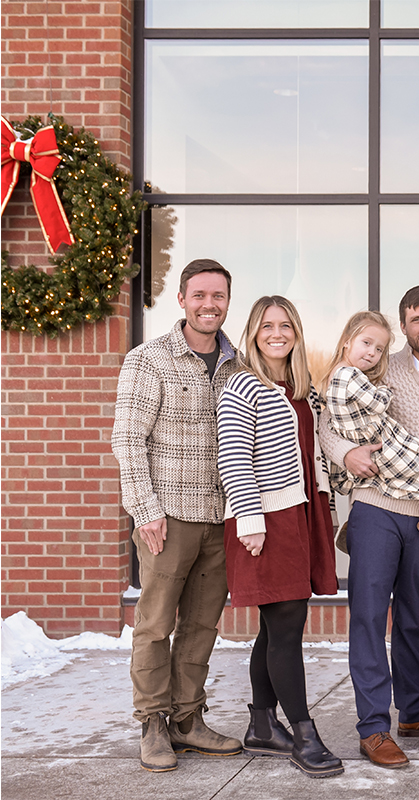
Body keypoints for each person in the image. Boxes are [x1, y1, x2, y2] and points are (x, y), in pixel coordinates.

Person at [317, 286, 419, 769]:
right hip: (375, 509)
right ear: (404, 326)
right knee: (368, 616)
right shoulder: (381, 369)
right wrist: (346, 454)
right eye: (416, 320)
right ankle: (373, 727)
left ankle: (414, 709)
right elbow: (329, 418)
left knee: (413, 616)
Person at [111, 258, 243, 772]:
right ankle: (153, 724)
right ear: (182, 300)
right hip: (168, 517)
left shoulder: (236, 364)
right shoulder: (150, 360)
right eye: (200, 295)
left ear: (227, 301)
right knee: (155, 623)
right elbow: (127, 440)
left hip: (221, 515)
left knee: (202, 625)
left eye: (218, 296)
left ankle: (188, 720)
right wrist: (145, 510)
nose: (209, 304)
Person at [216, 296, 342, 778]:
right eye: (267, 325)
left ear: (296, 332)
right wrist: (249, 521)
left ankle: (262, 725)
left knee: (275, 626)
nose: (276, 333)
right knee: (287, 628)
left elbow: (314, 458)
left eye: (285, 325)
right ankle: (304, 734)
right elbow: (233, 458)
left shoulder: (302, 391)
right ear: (252, 333)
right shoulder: (241, 386)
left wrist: (326, 506)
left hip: (302, 517)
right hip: (265, 521)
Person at [320, 311, 419, 552]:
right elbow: (372, 405)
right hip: (375, 439)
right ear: (347, 340)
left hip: (369, 438)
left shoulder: (344, 374)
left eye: (379, 350)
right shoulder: (350, 374)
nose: (372, 353)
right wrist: (386, 391)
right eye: (366, 343)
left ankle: (356, 527)